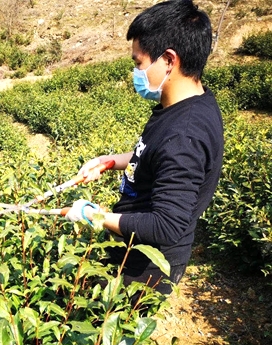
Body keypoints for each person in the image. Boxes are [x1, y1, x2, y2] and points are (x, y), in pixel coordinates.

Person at [65, 0, 224, 295]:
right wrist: (110, 161)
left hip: (144, 268)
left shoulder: (184, 135)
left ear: (169, 60)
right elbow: (156, 154)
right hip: (133, 248)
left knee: (110, 324)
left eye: (139, 63)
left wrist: (95, 216)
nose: (136, 72)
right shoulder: (190, 104)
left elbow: (166, 225)